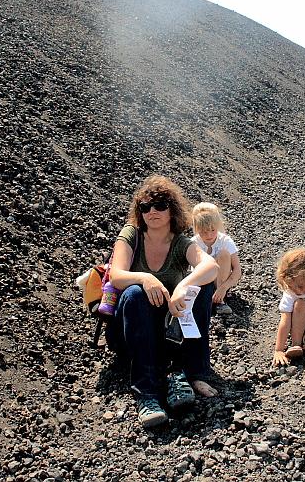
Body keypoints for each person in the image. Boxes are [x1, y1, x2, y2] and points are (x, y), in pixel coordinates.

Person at [108, 175, 220, 428]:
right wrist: (145, 278)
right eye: (145, 207)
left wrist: (183, 285)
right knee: (135, 293)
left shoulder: (181, 243)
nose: (152, 212)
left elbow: (210, 266)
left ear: (172, 210)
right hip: (132, 328)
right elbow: (116, 275)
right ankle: (147, 393)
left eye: (159, 205)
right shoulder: (131, 235)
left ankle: (192, 372)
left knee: (202, 287)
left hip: (170, 330)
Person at [190, 202, 242, 315]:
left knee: (223, 254)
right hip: (202, 281)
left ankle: (220, 301)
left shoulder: (225, 241)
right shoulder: (193, 242)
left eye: (212, 230)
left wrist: (223, 287)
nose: (209, 235)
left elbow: (237, 270)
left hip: (221, 281)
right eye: (204, 231)